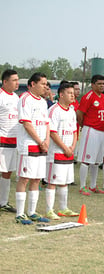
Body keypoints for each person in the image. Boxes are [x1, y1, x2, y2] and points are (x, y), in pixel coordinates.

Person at [15, 72, 50, 224]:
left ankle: (32, 211)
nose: (45, 87)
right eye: (42, 83)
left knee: (36, 178)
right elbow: (26, 123)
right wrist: (39, 141)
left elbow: (47, 123)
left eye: (46, 84)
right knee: (24, 178)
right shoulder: (25, 99)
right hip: (29, 145)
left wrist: (46, 141)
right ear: (33, 84)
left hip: (42, 147)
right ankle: (20, 213)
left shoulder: (43, 102)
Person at [45, 83, 79, 220]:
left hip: (68, 153)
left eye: (73, 93)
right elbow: (52, 132)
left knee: (65, 181)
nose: (73, 95)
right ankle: (49, 210)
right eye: (69, 93)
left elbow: (75, 131)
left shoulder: (71, 111)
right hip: (56, 152)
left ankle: (63, 208)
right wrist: (64, 147)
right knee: (52, 181)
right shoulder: (54, 110)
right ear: (61, 95)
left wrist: (72, 147)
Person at [77, 74, 104, 195]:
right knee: (86, 160)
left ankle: (93, 185)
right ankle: (83, 186)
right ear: (93, 84)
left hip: (101, 131)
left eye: (103, 84)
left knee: (96, 160)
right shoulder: (88, 97)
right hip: (91, 130)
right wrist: (83, 125)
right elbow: (80, 113)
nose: (101, 86)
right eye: (99, 84)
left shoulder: (103, 97)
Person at [0, 69, 19, 213]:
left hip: (13, 142)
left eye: (18, 80)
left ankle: (3, 202)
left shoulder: (16, 98)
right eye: (14, 80)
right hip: (2, 140)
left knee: (8, 172)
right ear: (5, 82)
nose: (17, 83)